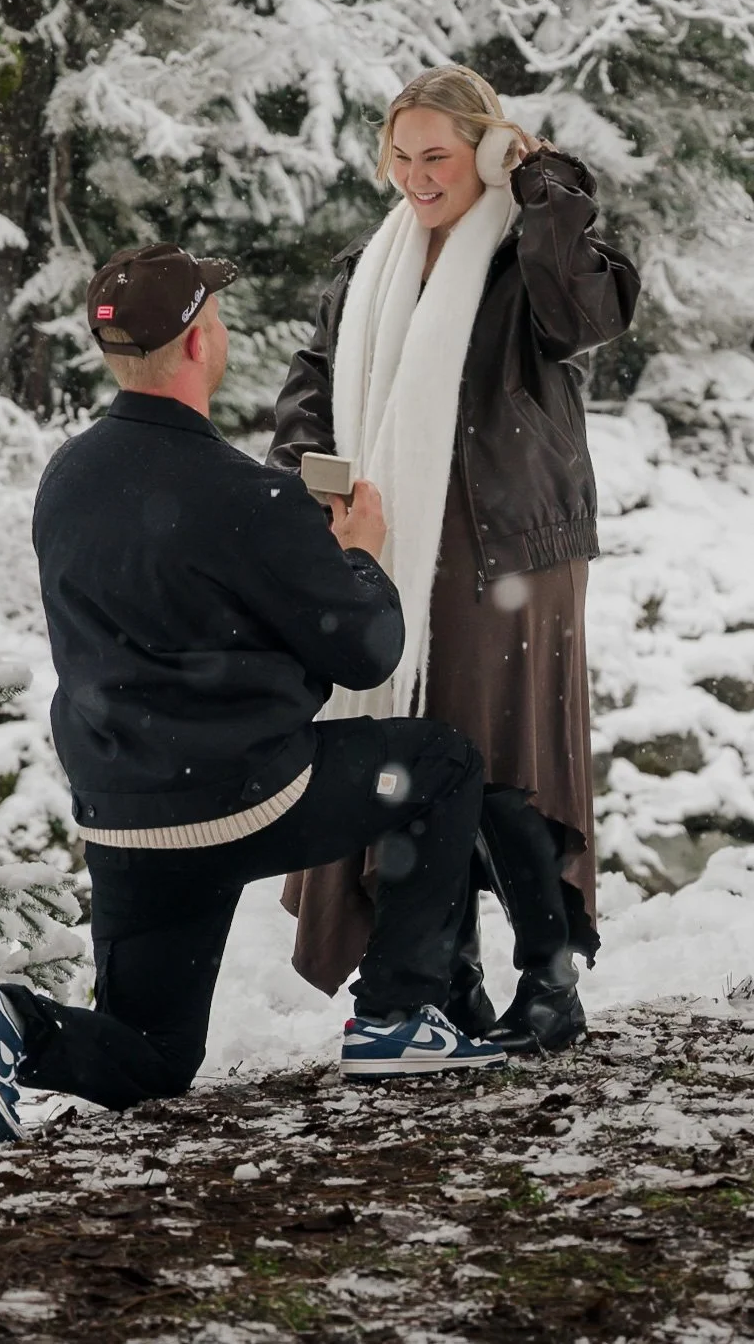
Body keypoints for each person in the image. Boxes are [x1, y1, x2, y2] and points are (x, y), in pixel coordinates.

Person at [0, 241, 510, 1145]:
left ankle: (8, 1021)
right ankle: (398, 1015)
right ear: (199, 345)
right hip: (251, 798)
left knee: (155, 1057)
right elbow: (369, 652)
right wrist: (356, 553)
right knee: (439, 763)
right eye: (217, 320)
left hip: (125, 816)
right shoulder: (251, 497)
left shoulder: (66, 480)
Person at [269, 65, 641, 1054]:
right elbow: (315, 374)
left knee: (503, 756)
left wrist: (544, 184)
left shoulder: (530, 258)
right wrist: (312, 480)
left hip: (511, 547)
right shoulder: (374, 264)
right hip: (402, 542)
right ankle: (448, 980)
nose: (415, 175)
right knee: (425, 752)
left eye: (438, 154)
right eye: (401, 154)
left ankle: (550, 984)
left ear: (483, 150)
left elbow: (592, 315)